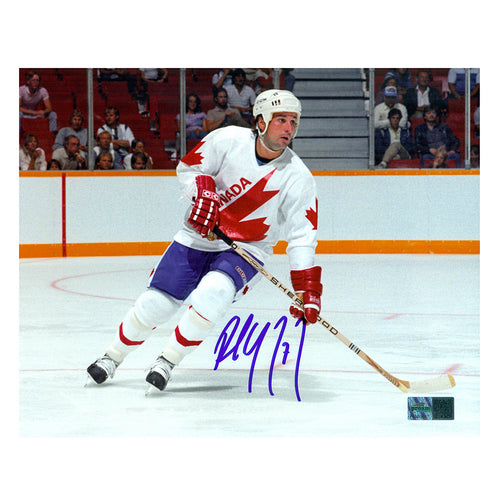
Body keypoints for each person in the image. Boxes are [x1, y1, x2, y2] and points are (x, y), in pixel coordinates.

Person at [86, 89, 323, 394]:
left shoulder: (298, 177)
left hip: (247, 248)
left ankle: (167, 361)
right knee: (155, 304)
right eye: (281, 120)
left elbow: (303, 235)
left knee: (214, 292)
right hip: (195, 237)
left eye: (293, 121)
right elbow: (189, 168)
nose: (289, 128)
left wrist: (307, 289)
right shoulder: (226, 140)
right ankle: (112, 356)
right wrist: (203, 191)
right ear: (261, 121)